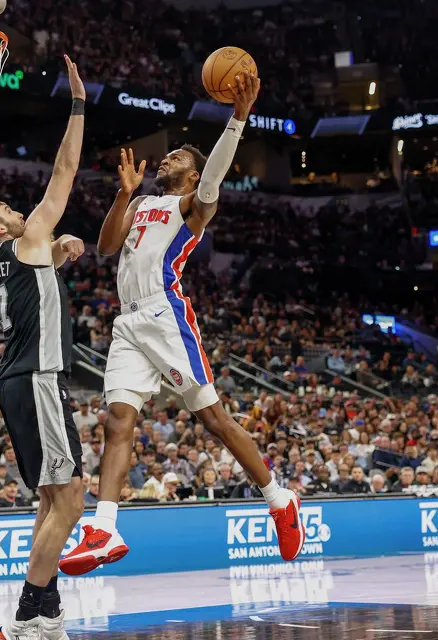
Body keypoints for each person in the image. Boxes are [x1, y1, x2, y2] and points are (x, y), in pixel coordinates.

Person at [68, 70, 302, 576]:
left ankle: (279, 498)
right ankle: (104, 527)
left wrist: (238, 118)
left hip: (165, 315)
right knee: (117, 421)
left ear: (194, 176)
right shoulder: (145, 203)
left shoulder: (193, 205)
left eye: (178, 158)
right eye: (170, 155)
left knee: (213, 420)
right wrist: (122, 195)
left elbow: (215, 172)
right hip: (127, 323)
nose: (167, 158)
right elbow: (107, 247)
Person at [0, 55, 87, 640]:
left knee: (50, 500)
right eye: (13, 212)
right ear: (5, 229)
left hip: (20, 378)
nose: (21, 210)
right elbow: (64, 171)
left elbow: (39, 275)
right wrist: (78, 107)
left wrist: (61, 251)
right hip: (37, 377)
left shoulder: (1, 264)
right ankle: (27, 612)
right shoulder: (23, 238)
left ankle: (47, 609)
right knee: (72, 503)